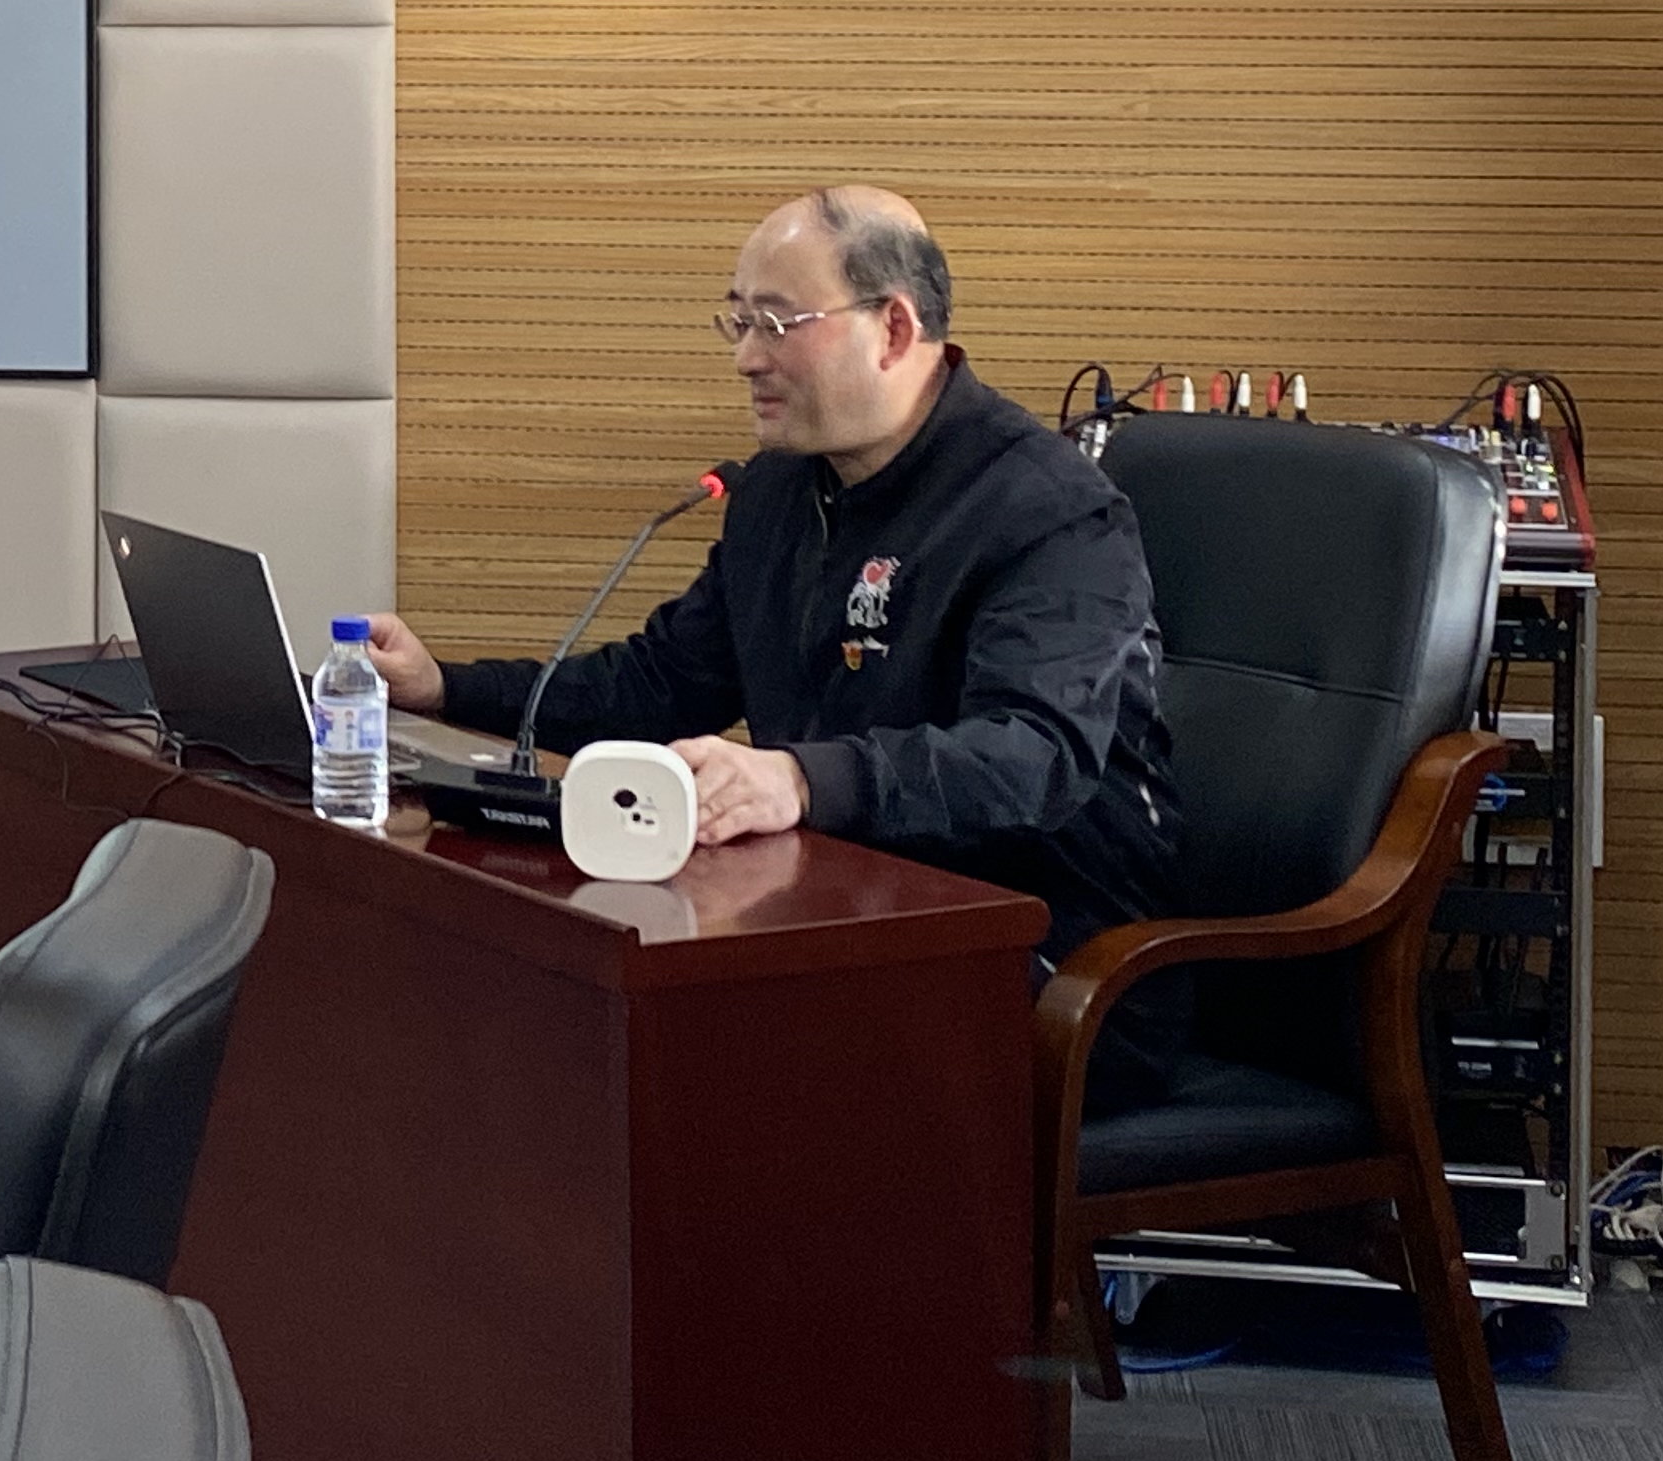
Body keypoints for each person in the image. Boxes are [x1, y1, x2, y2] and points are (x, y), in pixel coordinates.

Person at [361, 187, 1183, 1088]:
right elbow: (658, 688)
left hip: (1054, 976)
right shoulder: (778, 494)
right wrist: (444, 689)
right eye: (739, 321)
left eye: (778, 323)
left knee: (672, 1062)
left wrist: (798, 779)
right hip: (840, 924)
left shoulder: (1047, 509)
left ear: (894, 328)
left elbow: (1033, 757)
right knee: (537, 998)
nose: (747, 356)